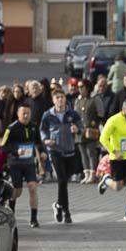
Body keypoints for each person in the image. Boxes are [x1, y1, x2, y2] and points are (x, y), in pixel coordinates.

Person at [40, 88, 82, 224]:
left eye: (62, 97)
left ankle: (58, 205)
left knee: (65, 180)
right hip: (55, 150)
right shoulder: (48, 115)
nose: (60, 100)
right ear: (53, 100)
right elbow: (43, 129)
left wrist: (77, 129)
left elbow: (81, 126)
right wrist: (46, 139)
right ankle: (66, 212)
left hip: (69, 150)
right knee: (62, 180)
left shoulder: (72, 114)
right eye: (57, 97)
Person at [99, 97, 126, 221]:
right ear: (123, 109)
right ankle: (106, 181)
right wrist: (114, 151)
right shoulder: (113, 120)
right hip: (117, 157)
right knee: (118, 186)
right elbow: (103, 138)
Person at [0, 103, 44, 227]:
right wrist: (15, 152)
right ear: (18, 114)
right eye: (23, 113)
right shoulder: (12, 128)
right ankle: (10, 210)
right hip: (15, 164)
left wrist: (42, 152)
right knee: (17, 192)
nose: (26, 116)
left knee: (33, 188)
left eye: (28, 113)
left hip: (29, 163)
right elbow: (3, 147)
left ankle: (34, 219)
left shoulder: (34, 127)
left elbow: (38, 143)